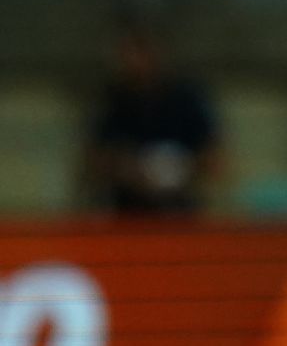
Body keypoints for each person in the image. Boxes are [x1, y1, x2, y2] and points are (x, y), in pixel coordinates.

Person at [83, 25, 222, 215]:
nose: (136, 61)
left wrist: (179, 170)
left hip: (181, 210)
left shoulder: (187, 99)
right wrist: (127, 170)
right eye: (128, 53)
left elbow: (214, 158)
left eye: (143, 52)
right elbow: (94, 159)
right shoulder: (112, 100)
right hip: (127, 212)